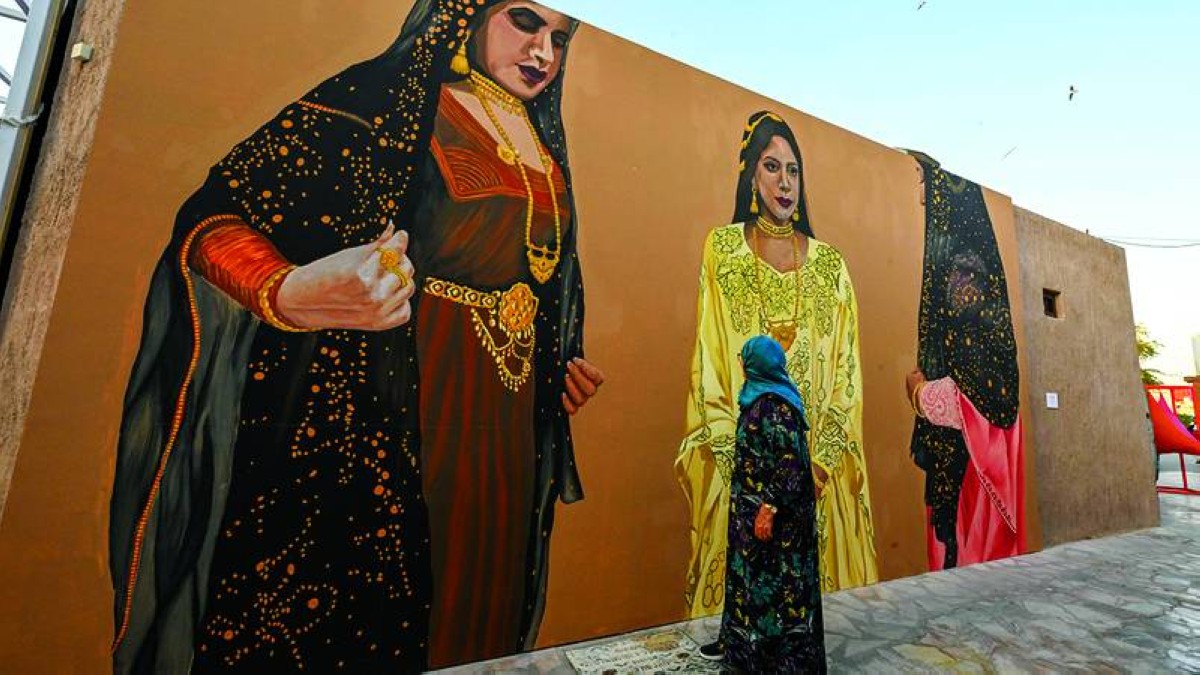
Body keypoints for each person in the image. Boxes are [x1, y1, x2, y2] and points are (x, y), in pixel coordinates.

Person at [107, 2, 604, 672]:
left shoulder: (543, 144)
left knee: (481, 602)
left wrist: (558, 365)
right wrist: (285, 290)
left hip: (504, 426)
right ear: (470, 11)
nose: (544, 51)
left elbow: (545, 285)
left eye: (560, 38)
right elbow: (215, 220)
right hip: (396, 404)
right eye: (525, 23)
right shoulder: (382, 102)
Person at [676, 111, 878, 620]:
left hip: (818, 480)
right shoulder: (722, 251)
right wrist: (746, 476)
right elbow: (709, 369)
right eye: (771, 167)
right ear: (750, 175)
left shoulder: (831, 266)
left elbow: (847, 378)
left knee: (816, 618)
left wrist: (818, 469)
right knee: (752, 611)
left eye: (793, 170)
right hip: (744, 473)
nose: (785, 183)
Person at [904, 151, 1025, 571]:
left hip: (974, 475)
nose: (920, 195)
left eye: (922, 181)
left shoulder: (964, 272)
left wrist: (919, 393)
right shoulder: (965, 265)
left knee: (972, 569)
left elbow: (979, 393)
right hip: (968, 468)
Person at [698, 336, 826, 672]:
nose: (740, 361)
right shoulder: (760, 396)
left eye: (744, 356)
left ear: (756, 363)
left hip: (775, 523)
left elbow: (790, 463)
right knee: (748, 582)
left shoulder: (774, 406)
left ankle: (776, 662)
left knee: (777, 589)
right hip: (752, 514)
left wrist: (768, 508)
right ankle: (738, 646)